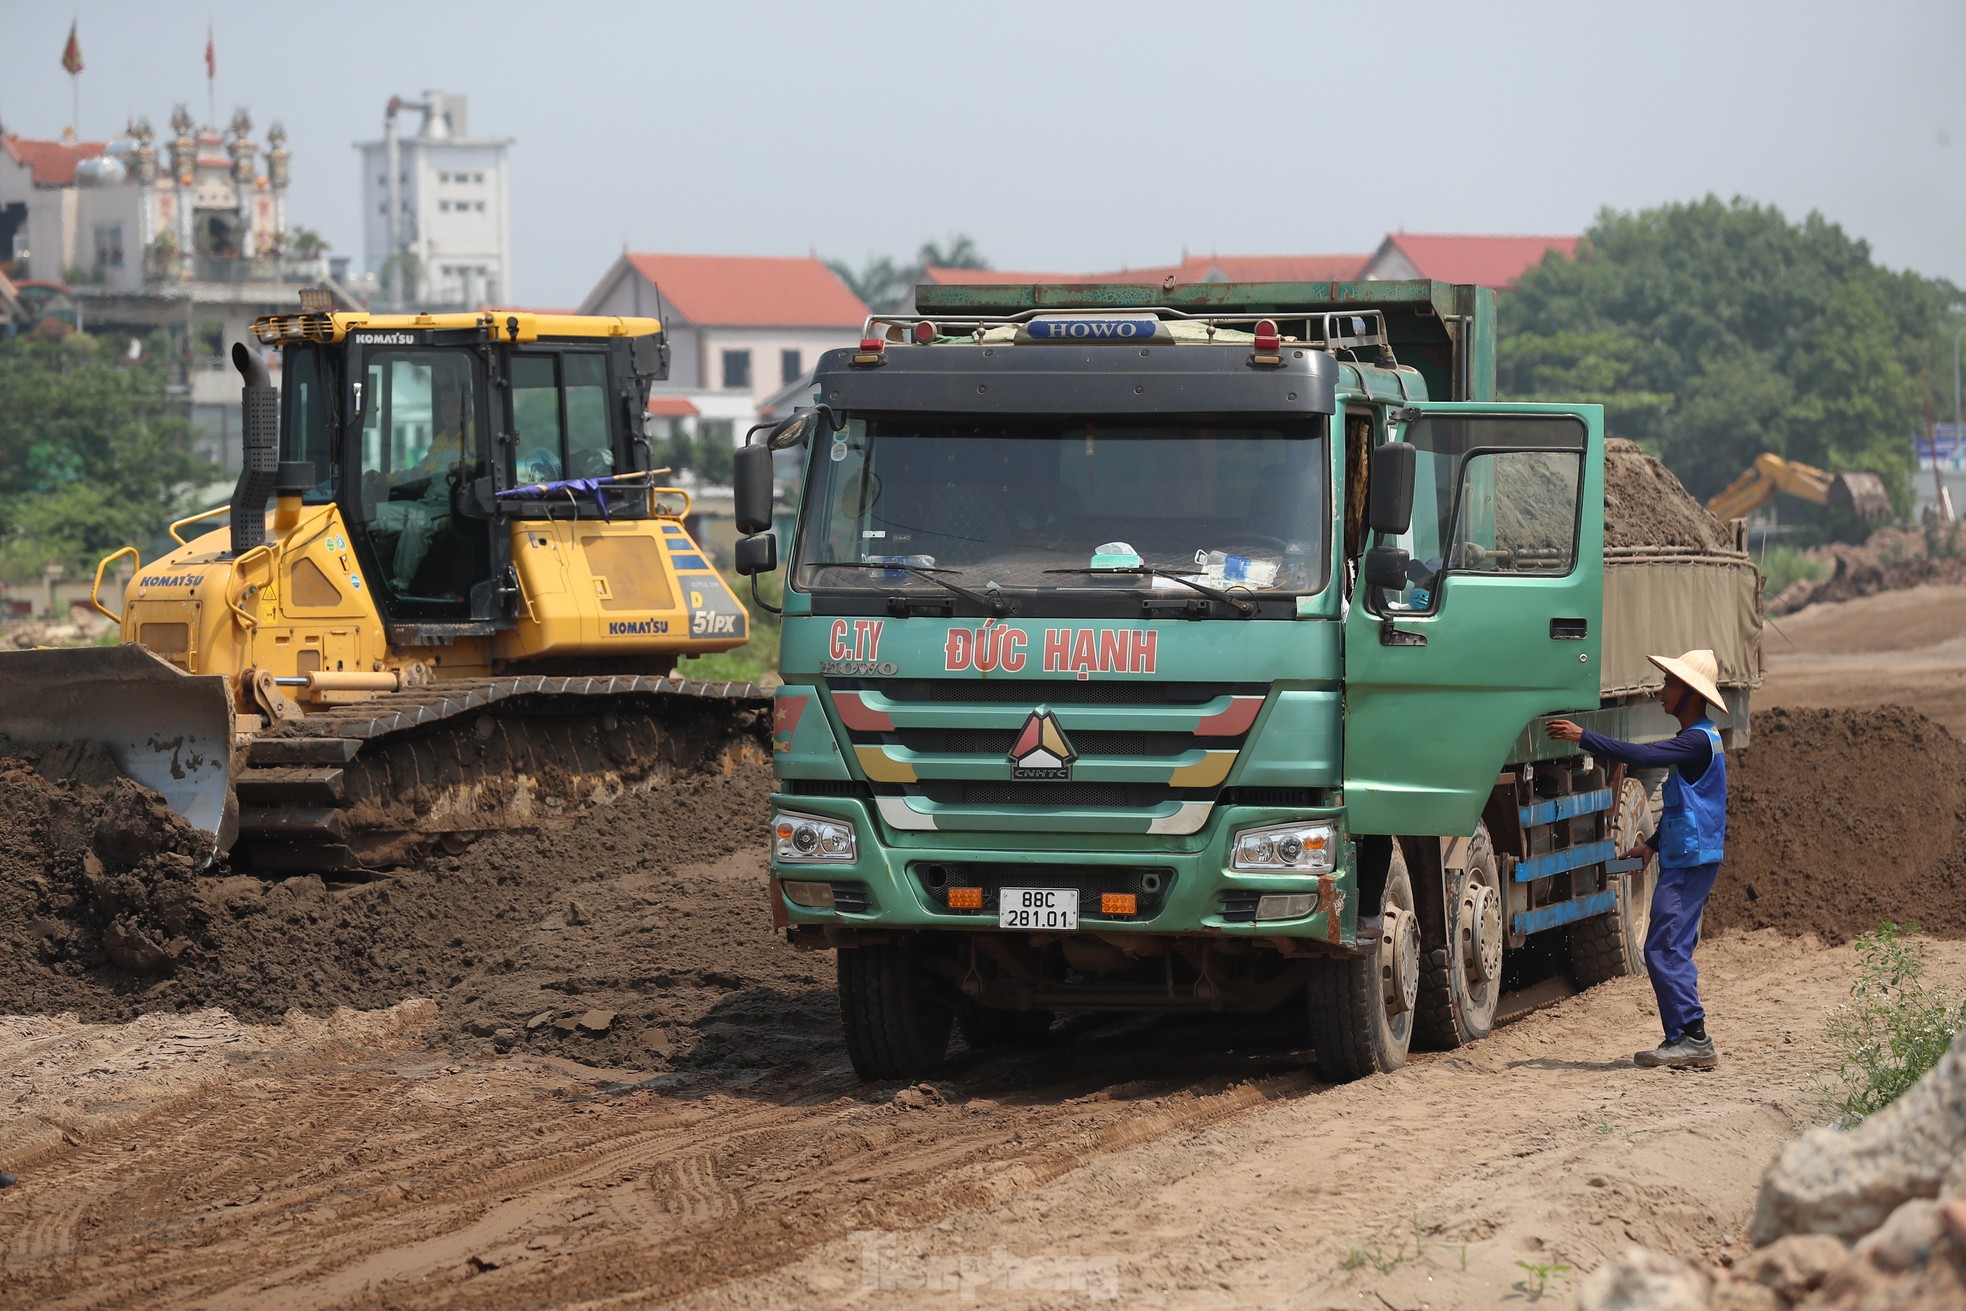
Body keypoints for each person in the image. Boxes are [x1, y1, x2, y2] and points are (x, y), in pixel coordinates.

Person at [1544, 649, 1729, 1072]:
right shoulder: (1704, 740)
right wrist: (1651, 845)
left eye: (1670, 684)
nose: (1662, 691)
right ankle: (1682, 1038)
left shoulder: (1697, 739)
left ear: (1691, 695)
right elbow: (1692, 806)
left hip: (1691, 860)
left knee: (1663, 948)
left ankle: (1693, 1037)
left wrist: (1583, 737)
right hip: (1689, 854)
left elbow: (1644, 757)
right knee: (1670, 946)